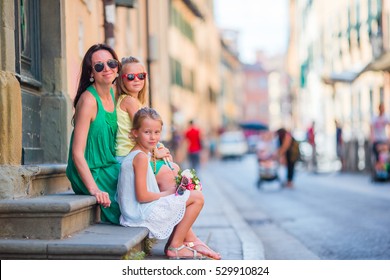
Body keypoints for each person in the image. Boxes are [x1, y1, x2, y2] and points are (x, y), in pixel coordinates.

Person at [116, 107, 221, 259]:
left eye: (157, 132)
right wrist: (170, 193)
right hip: (139, 213)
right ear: (135, 132)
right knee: (197, 198)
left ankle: (178, 242)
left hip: (137, 210)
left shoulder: (140, 154)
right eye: (147, 132)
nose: (153, 137)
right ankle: (175, 245)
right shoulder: (139, 158)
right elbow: (142, 196)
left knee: (189, 195)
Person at [66, 43, 121, 224]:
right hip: (91, 171)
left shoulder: (114, 93)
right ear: (91, 73)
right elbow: (77, 154)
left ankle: (186, 239)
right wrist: (94, 189)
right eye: (99, 66)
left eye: (111, 63)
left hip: (109, 166)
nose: (107, 69)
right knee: (133, 196)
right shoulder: (89, 101)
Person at [115, 56, 180, 192]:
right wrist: (156, 152)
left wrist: (159, 148)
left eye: (141, 76)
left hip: (138, 154)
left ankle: (165, 206)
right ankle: (163, 208)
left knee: (173, 167)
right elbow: (144, 130)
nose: (137, 79)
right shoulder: (129, 101)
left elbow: (148, 133)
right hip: (129, 156)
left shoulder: (135, 101)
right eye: (131, 76)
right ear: (122, 79)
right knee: (170, 173)